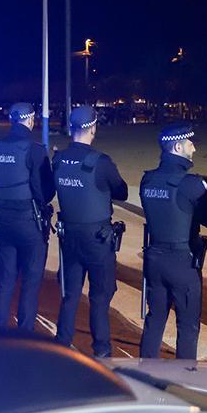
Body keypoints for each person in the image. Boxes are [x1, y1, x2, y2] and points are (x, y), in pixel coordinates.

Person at [138, 123, 207, 359]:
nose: (193, 148)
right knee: (187, 327)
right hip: (183, 263)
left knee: (154, 320)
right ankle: (184, 382)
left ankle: (145, 376)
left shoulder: (148, 180)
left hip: (154, 259)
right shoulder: (191, 184)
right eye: (189, 143)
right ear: (177, 146)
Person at [53, 105, 128, 357]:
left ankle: (62, 344)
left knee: (70, 294)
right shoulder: (100, 162)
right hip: (97, 238)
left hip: (69, 237)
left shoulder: (59, 159)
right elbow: (122, 192)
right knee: (99, 296)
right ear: (93, 128)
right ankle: (101, 351)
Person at [0, 102, 54, 331]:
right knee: (30, 283)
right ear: (30, 120)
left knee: (6, 280)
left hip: (3, 221)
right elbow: (46, 191)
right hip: (29, 223)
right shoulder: (35, 149)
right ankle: (24, 333)